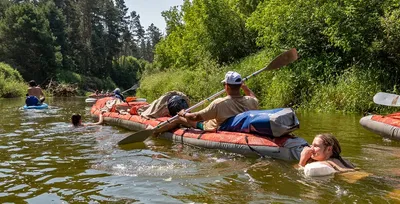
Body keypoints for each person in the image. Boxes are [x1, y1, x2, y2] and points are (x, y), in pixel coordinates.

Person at [154, 71, 259, 133]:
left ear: (226, 86)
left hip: (208, 127)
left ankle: (154, 131)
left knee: (178, 119)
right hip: (237, 128)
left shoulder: (219, 103)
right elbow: (252, 96)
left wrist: (183, 113)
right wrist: (245, 88)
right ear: (240, 85)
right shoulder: (251, 101)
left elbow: (195, 117)